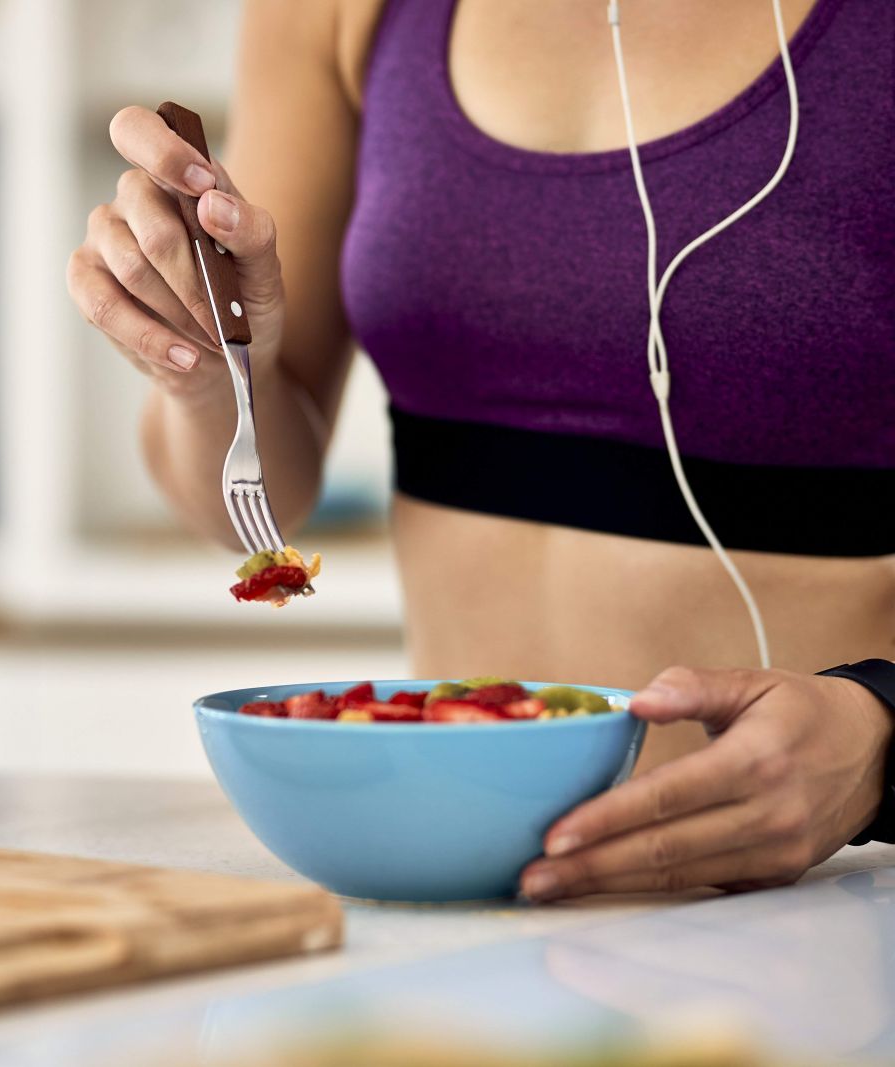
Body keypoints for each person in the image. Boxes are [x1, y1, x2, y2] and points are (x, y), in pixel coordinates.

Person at [66, 0, 895, 900]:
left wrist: (883, 737)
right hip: (455, 882)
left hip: (834, 896)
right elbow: (253, 499)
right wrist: (205, 375)